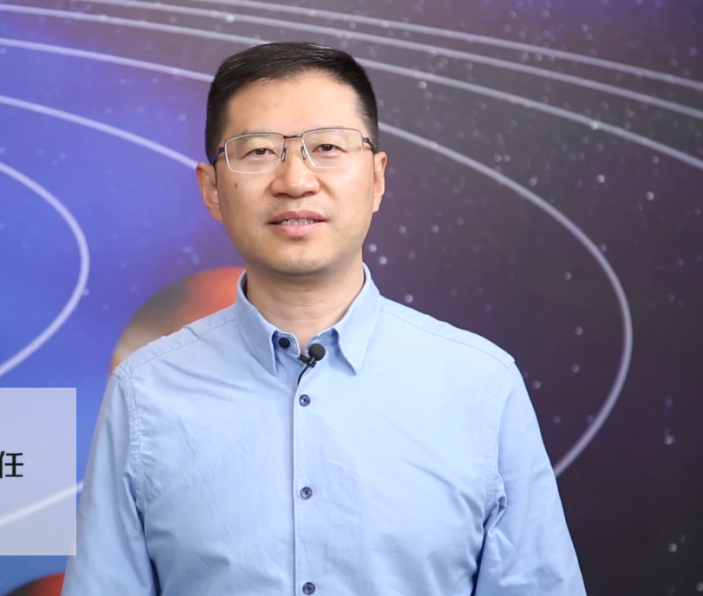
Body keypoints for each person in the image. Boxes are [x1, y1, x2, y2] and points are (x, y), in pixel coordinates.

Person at [60, 42, 586, 596]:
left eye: (328, 147)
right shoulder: (145, 393)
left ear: (377, 178)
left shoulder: (481, 385)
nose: (295, 180)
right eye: (259, 151)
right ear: (212, 189)